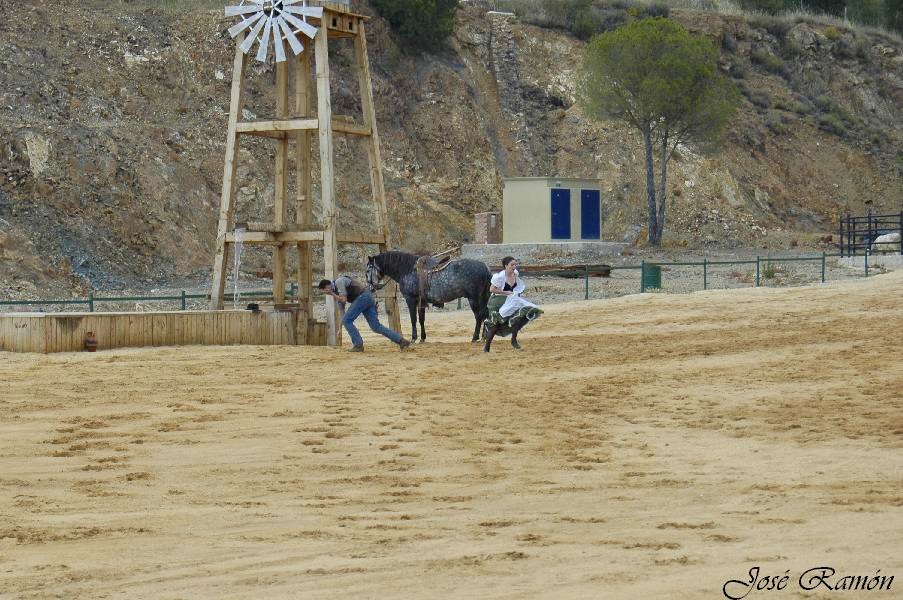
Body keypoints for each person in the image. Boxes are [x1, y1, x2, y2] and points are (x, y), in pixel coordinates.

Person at [318, 276, 411, 352]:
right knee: (376, 327)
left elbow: (343, 299)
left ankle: (358, 345)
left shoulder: (339, 282)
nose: (327, 294)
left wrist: (332, 294)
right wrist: (340, 328)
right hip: (367, 297)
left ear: (327, 287)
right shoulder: (335, 292)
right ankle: (402, 341)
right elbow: (342, 312)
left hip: (363, 297)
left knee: (348, 320)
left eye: (325, 292)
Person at [484, 256, 542, 352]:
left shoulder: (515, 274)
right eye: (512, 265)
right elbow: (492, 289)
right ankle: (487, 347)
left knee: (517, 318)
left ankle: (513, 340)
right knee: (495, 325)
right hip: (497, 302)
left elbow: (517, 288)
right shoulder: (499, 277)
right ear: (506, 266)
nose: (514, 266)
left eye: (515, 264)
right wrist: (506, 292)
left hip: (511, 300)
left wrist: (514, 294)